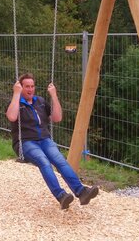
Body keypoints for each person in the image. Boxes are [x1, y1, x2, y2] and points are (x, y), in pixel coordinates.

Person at [6, 73, 99, 209]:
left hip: (44, 140)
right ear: (21, 87)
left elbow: (57, 118)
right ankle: (61, 196)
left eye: (32, 86)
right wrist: (16, 94)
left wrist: (54, 96)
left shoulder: (40, 101)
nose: (30, 89)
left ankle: (82, 192)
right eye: (27, 87)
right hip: (26, 142)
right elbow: (12, 117)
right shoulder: (17, 103)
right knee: (44, 161)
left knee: (60, 161)